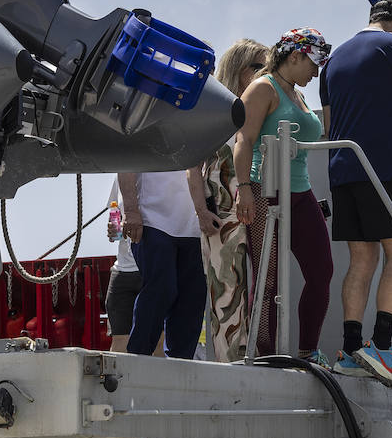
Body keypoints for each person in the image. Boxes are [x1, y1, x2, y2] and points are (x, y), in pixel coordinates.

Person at [320, 0, 392, 389]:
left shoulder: (334, 58)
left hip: (343, 169)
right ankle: (383, 348)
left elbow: (334, 125)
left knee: (361, 259)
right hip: (381, 173)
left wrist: (390, 148)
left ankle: (351, 350)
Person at [231, 29, 334, 362]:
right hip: (265, 189)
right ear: (294, 57)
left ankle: (308, 351)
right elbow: (243, 140)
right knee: (268, 276)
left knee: (321, 271)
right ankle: (266, 354)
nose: (316, 72)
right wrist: (244, 188)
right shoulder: (263, 88)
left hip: (301, 191)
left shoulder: (297, 93)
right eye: (313, 64)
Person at [201, 39, 260, 363]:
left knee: (264, 287)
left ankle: (258, 358)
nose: (264, 74)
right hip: (222, 216)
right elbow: (193, 169)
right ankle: (229, 366)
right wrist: (201, 210)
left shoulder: (262, 113)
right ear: (238, 71)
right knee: (226, 295)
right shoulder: (216, 115)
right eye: (257, 67)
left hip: (258, 208)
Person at [118, 169, 213, 358]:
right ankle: (138, 356)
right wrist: (130, 211)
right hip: (152, 219)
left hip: (194, 226)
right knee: (161, 287)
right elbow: (127, 162)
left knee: (192, 297)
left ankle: (181, 364)